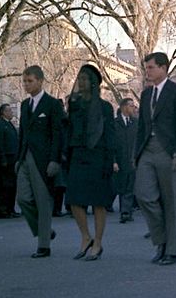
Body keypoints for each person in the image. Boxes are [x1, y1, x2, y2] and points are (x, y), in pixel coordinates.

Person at [134, 52, 176, 265]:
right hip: (147, 151)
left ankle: (171, 250)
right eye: (146, 68)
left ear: (163, 68)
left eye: (151, 67)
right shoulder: (146, 95)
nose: (147, 71)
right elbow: (141, 126)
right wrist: (136, 154)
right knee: (143, 195)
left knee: (171, 202)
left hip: (168, 152)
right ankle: (161, 240)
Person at [64, 65, 116, 261]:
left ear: (93, 83)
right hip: (78, 155)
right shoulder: (75, 104)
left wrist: (110, 161)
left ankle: (98, 243)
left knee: (98, 203)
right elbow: (69, 131)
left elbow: (110, 136)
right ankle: (86, 237)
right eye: (80, 79)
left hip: (98, 156)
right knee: (74, 200)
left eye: (85, 79)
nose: (81, 82)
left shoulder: (104, 107)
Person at [16, 65, 64, 258]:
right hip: (25, 158)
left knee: (43, 202)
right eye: (24, 81)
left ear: (40, 81)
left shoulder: (52, 104)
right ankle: (45, 231)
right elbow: (22, 134)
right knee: (23, 198)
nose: (26, 85)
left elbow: (57, 134)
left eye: (30, 81)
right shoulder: (24, 105)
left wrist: (54, 160)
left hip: (43, 160)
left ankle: (44, 245)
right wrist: (18, 158)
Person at [0, 103, 20, 218]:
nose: (11, 112)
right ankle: (2, 210)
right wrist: (2, 158)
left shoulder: (10, 125)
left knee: (12, 186)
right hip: (5, 159)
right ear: (3, 112)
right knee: (4, 186)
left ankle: (10, 208)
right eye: (9, 111)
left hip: (13, 159)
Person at [112, 98, 137, 223]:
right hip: (120, 159)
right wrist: (114, 161)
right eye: (131, 106)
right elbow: (111, 144)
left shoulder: (135, 123)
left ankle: (126, 212)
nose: (133, 108)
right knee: (122, 186)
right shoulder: (115, 123)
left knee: (130, 186)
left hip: (132, 160)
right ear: (123, 107)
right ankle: (124, 210)